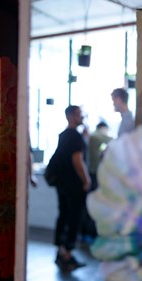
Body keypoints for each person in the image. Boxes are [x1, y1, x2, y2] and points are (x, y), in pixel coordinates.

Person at [52, 105, 91, 271]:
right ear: (71, 116)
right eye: (79, 114)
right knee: (74, 217)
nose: (82, 116)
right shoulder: (75, 136)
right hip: (74, 186)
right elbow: (77, 160)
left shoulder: (64, 135)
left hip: (63, 184)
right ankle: (67, 255)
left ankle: (61, 252)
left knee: (64, 215)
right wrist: (86, 179)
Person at [80, 121, 112, 244]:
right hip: (95, 175)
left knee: (88, 206)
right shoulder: (98, 136)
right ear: (104, 128)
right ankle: (91, 235)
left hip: (91, 173)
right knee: (94, 207)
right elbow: (113, 141)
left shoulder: (92, 137)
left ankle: (85, 234)